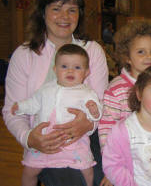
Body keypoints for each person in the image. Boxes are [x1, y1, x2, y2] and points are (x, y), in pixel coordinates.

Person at [2, 0, 108, 186]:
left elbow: (101, 103)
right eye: (56, 8)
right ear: (43, 13)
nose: (64, 17)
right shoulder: (25, 55)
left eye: (72, 10)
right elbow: (11, 110)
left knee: (107, 178)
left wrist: (87, 123)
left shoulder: (92, 50)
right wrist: (29, 138)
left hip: (89, 136)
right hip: (46, 141)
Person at [10, 44, 103, 186]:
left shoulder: (87, 93)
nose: (70, 71)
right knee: (29, 171)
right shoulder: (46, 89)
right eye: (64, 66)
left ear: (86, 72)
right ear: (55, 69)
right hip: (45, 140)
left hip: (74, 143)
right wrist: (20, 107)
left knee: (87, 169)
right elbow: (33, 103)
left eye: (77, 67)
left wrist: (94, 111)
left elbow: (97, 112)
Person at [98, 18, 151, 152]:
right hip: (126, 154)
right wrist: (111, 158)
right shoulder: (116, 90)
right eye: (141, 52)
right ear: (127, 57)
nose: (149, 56)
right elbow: (107, 127)